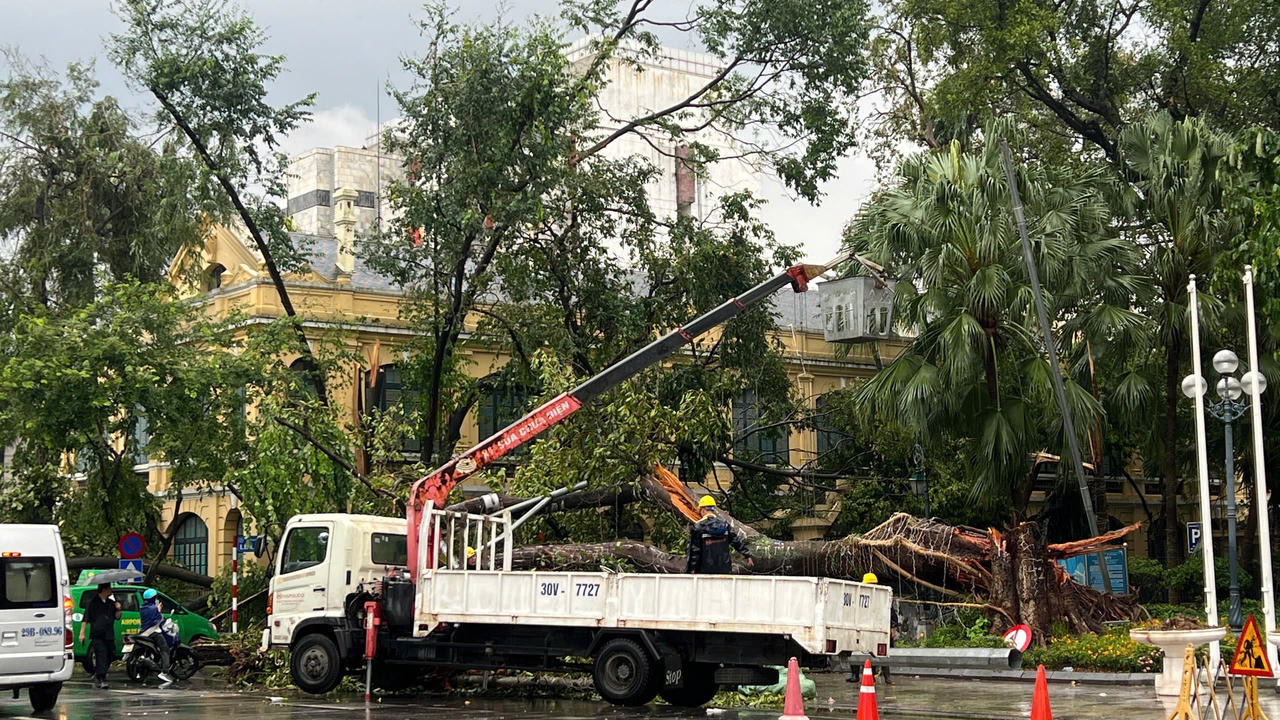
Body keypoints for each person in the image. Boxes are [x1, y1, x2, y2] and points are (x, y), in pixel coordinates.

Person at [686, 496, 754, 574]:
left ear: (703, 510)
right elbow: (736, 541)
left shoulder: (698, 527)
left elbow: (695, 550)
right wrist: (747, 556)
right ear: (713, 509)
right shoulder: (724, 525)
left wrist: (691, 569)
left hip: (704, 570)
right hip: (724, 568)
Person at [79, 582, 121, 689]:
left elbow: (117, 617)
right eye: (109, 588)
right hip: (98, 634)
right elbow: (86, 618)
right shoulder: (93, 603)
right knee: (101, 655)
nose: (111, 590)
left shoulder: (111, 603)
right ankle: (101, 678)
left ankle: (99, 674)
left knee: (111, 654)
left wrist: (118, 608)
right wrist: (82, 633)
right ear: (104, 589)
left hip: (109, 634)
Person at [138, 588, 175, 688]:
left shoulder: (142, 607)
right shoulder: (153, 608)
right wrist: (158, 610)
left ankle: (141, 671)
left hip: (142, 633)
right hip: (153, 632)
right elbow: (159, 619)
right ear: (153, 598)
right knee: (165, 649)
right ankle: (165, 672)